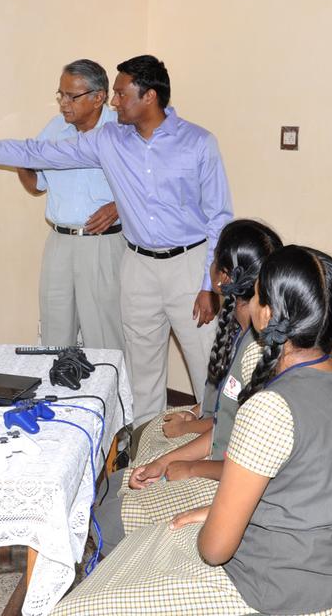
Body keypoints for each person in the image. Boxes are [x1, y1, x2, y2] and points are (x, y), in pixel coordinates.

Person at [52, 245, 332, 615]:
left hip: (269, 588)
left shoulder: (271, 407)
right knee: (149, 546)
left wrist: (211, 523)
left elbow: (214, 549)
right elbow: (301, 490)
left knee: (79, 606)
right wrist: (214, 512)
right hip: (327, 575)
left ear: (266, 313)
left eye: (254, 295)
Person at [0, 55, 233, 424]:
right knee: (142, 370)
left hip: (188, 264)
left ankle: (217, 452)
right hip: (137, 266)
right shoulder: (109, 141)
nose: (115, 101)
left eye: (120, 94)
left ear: (148, 96)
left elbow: (220, 217)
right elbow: (39, 153)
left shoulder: (199, 143)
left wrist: (208, 284)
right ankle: (138, 453)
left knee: (205, 366)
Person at [93, 219, 281, 552]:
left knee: (108, 520)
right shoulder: (244, 333)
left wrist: (189, 467)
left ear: (223, 276)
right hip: (219, 464)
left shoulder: (259, 352)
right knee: (115, 487)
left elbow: (246, 462)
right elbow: (226, 426)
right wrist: (163, 464)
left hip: (229, 484)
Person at [16, 59, 124, 349]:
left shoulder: (121, 130)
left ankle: (109, 394)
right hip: (59, 242)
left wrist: (118, 206)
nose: (63, 103)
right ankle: (58, 394)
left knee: (104, 335)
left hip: (102, 243)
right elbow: (36, 185)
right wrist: (21, 160)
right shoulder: (55, 129)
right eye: (60, 95)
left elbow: (151, 185)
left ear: (99, 97)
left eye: (71, 96)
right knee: (54, 333)